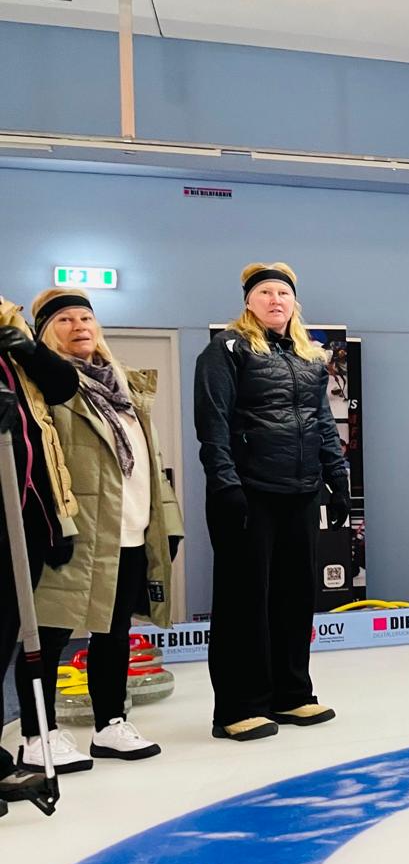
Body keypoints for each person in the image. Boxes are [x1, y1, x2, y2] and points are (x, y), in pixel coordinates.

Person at [15, 289, 184, 768]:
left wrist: (164, 522)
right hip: (75, 529)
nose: (79, 325)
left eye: (86, 316)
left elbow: (150, 463)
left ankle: (110, 724)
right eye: (64, 319)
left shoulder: (125, 387)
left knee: (112, 632)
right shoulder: (43, 385)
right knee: (47, 634)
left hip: (130, 527)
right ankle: (36, 735)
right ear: (46, 332)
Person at [194, 262, 350, 742]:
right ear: (248, 300)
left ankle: (292, 695)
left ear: (294, 302)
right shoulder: (226, 350)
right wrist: (224, 483)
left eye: (283, 292)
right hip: (248, 490)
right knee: (245, 601)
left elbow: (322, 420)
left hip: (299, 491)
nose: (275, 300)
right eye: (265, 292)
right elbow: (213, 422)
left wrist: (337, 476)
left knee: (294, 596)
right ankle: (239, 707)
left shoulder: (307, 356)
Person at [0, 295, 78, 807]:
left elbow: (62, 386)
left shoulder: (11, 332)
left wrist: (25, 345)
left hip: (24, 509)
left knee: (5, 634)